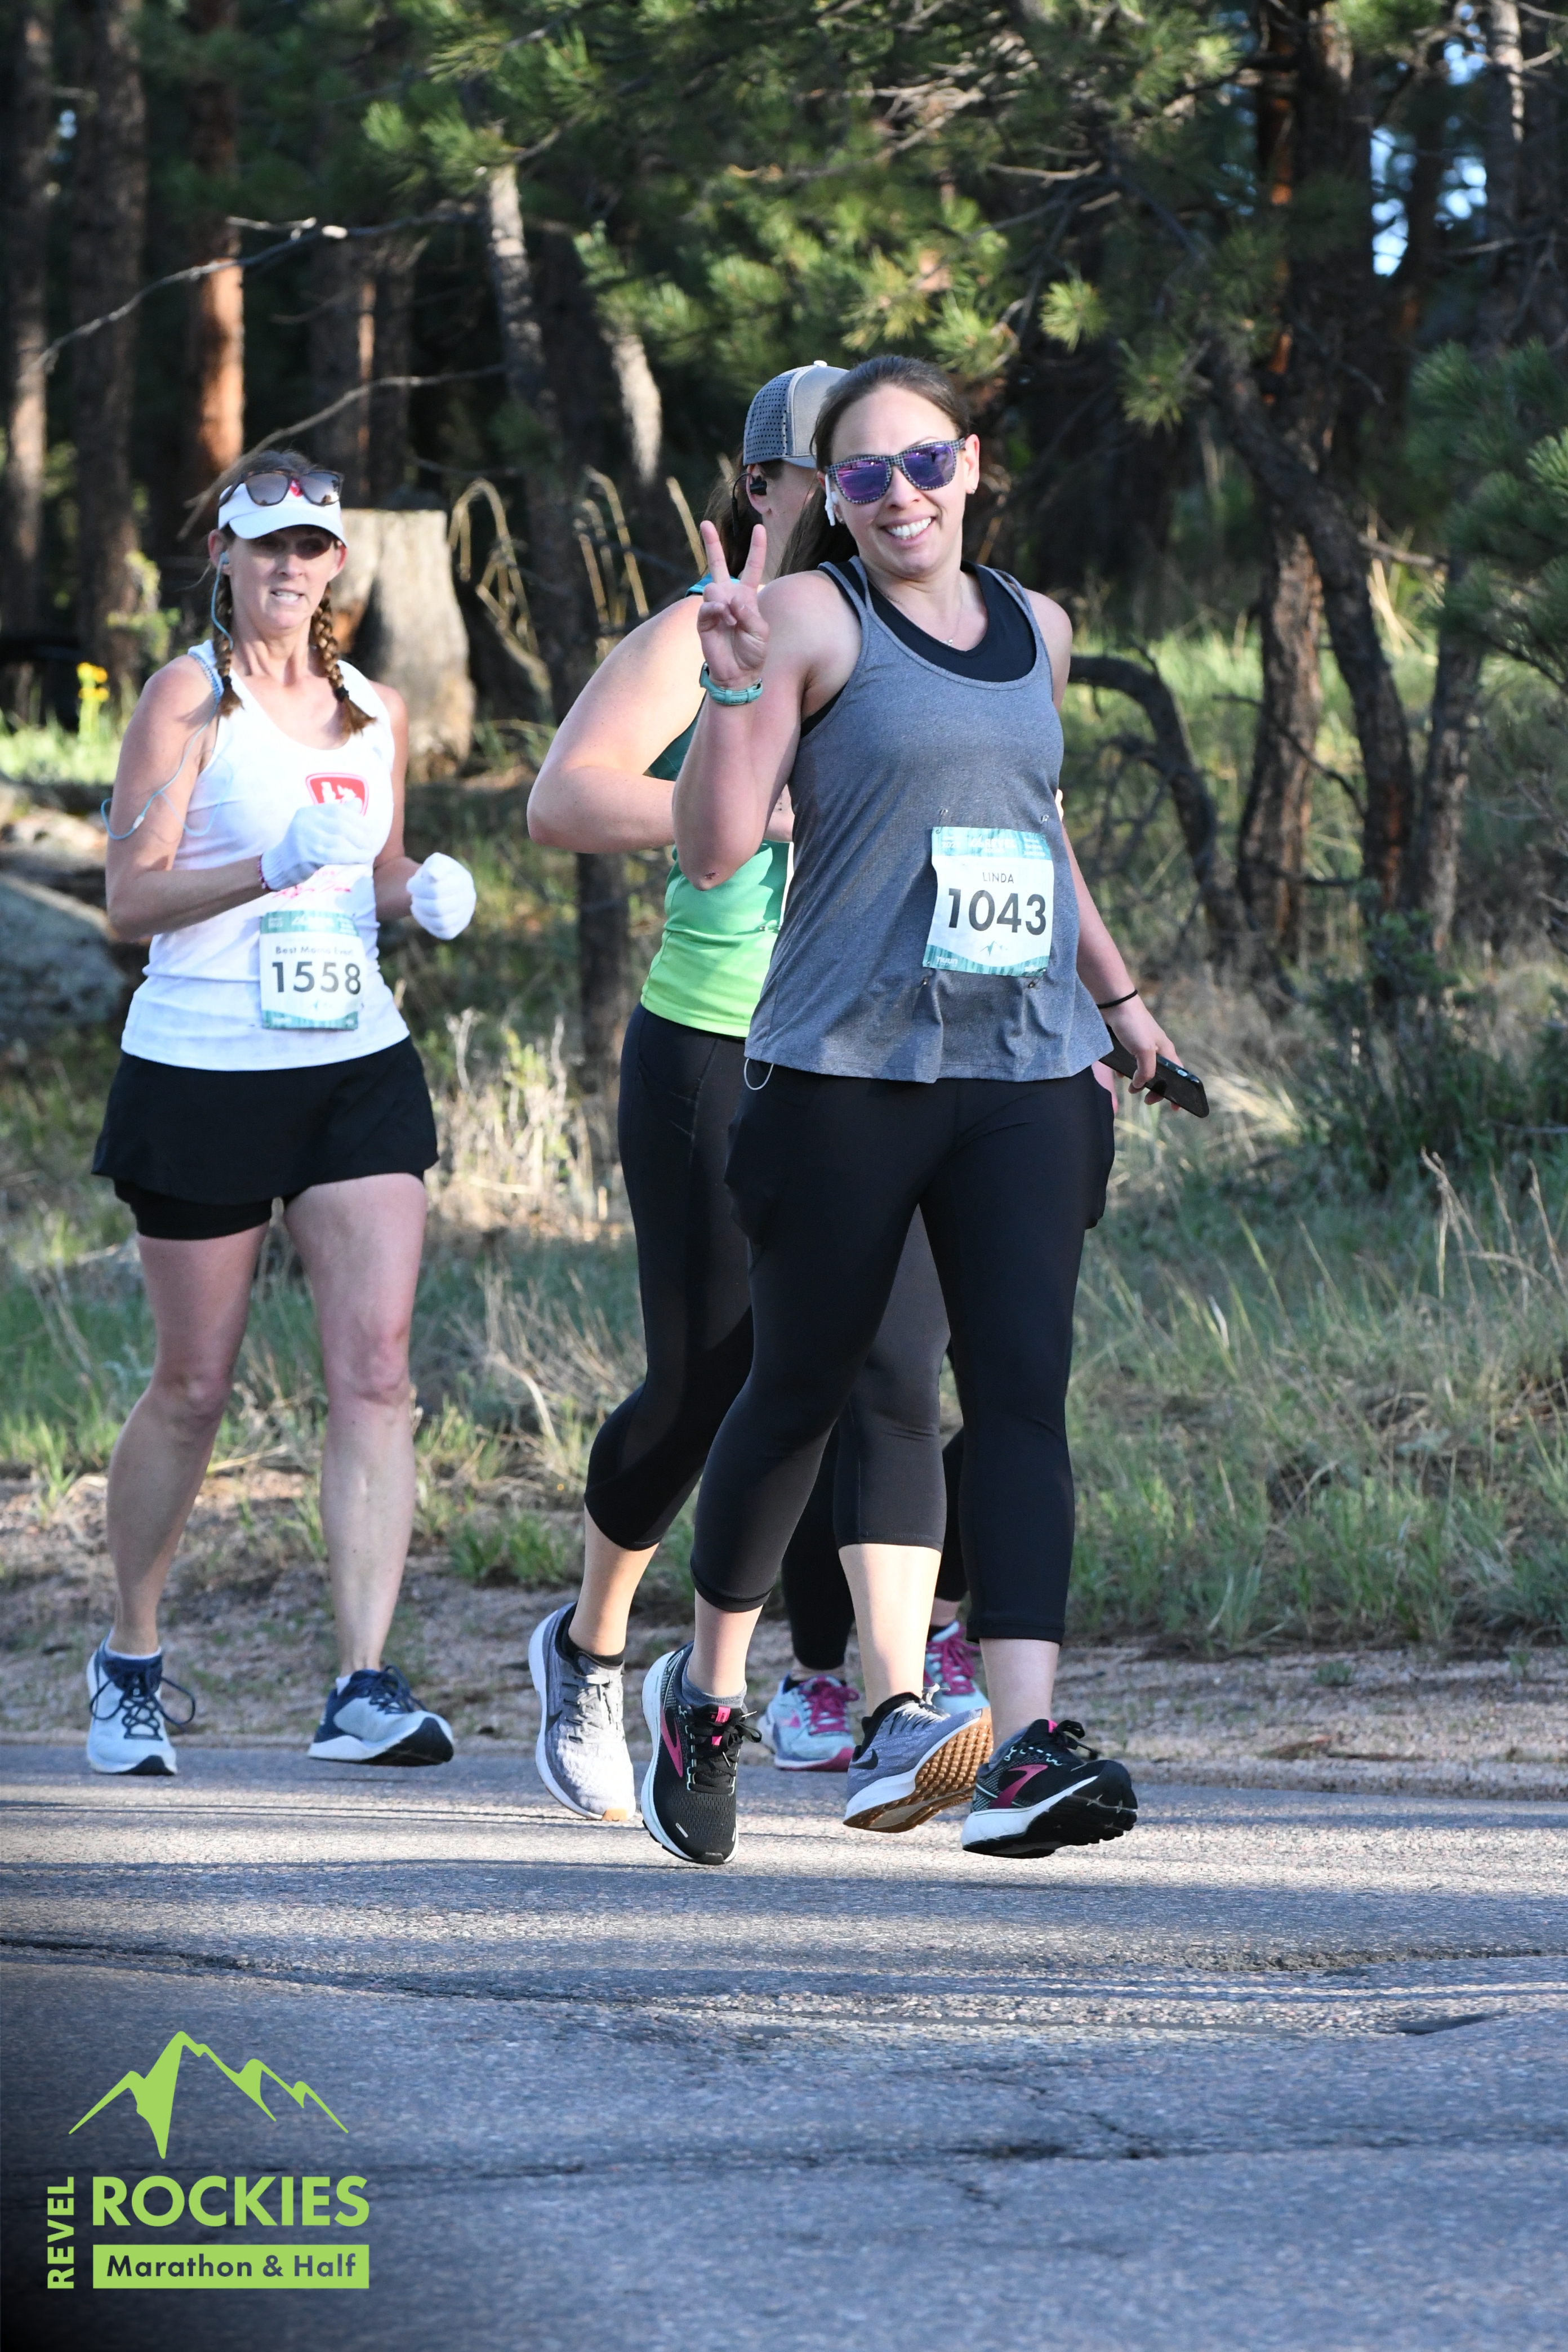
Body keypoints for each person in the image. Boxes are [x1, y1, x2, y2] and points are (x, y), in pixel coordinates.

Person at [642, 354, 1188, 1865]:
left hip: (1024, 1067)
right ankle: (705, 1692)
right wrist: (732, 685)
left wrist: (1122, 1003)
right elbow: (712, 851)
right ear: (836, 492)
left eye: (926, 462)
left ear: (973, 463)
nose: (902, 497)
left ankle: (1024, 1744)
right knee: (801, 1389)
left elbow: (1038, 828)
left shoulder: (1038, 628)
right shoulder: (812, 619)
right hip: (845, 1070)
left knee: (1018, 1395)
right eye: (867, 475)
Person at [525, 366, 988, 1847]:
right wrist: (760, 802)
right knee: (710, 1383)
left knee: (884, 1371)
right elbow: (563, 799)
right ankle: (592, 1647)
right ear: (769, 486)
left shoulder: (914, 628)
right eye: (832, 471)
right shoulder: (707, 628)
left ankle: (880, 1700)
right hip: (717, 1039)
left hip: (874, 1050)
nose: (868, 494)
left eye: (895, 466)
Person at [85, 449, 476, 1776]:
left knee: (377, 1370)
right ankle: (131, 1657)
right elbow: (128, 901)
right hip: (202, 1066)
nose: (290, 570)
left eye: (312, 548)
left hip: (354, 1061)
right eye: (267, 547)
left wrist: (419, 891)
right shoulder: (187, 699)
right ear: (225, 556)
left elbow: (368, 874)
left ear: (337, 565)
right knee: (194, 1385)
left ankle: (362, 1682)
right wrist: (264, 866)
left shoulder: (373, 710)